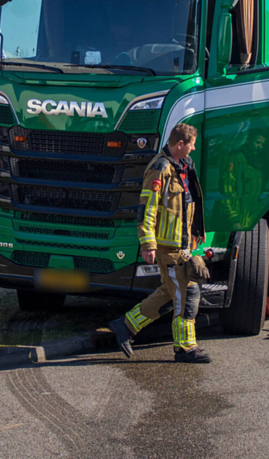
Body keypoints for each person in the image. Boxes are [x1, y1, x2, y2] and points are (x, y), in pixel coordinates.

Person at [108, 123, 211, 363]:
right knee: (187, 293)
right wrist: (148, 244)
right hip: (168, 247)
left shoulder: (184, 166)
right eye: (191, 145)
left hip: (182, 244)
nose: (194, 149)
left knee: (170, 291)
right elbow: (147, 209)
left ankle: (125, 326)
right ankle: (185, 348)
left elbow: (189, 202)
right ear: (180, 144)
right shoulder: (160, 168)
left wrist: (197, 230)